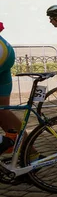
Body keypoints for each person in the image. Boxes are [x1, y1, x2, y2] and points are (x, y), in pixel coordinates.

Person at [0, 27, 22, 155]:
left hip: (2, 51)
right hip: (4, 49)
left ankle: (4, 142)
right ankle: (31, 153)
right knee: (3, 111)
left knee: (3, 110)